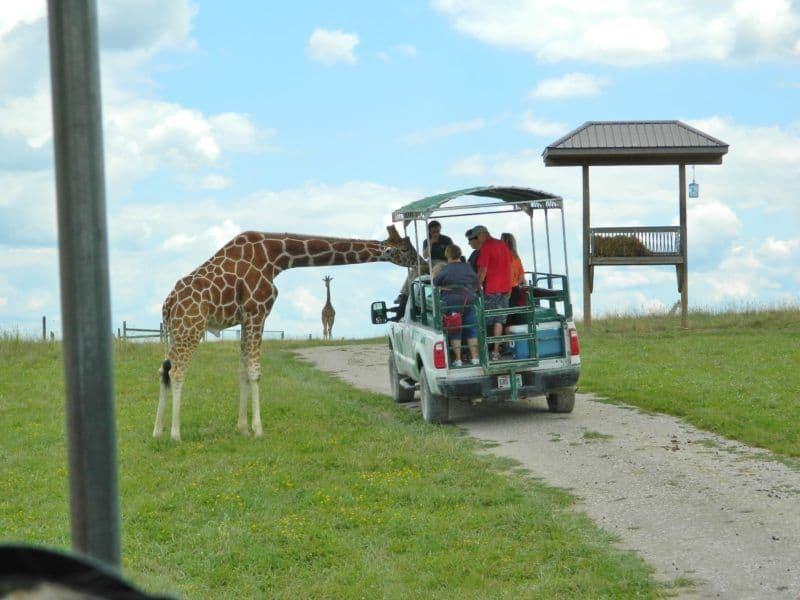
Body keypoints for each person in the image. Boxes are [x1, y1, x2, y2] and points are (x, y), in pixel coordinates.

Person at [469, 225, 513, 360]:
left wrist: (475, 287)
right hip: (505, 288)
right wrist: (510, 287)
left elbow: (482, 271)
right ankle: (495, 351)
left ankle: (481, 352)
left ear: (482, 235)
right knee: (499, 321)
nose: (477, 241)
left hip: (492, 289)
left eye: (476, 238)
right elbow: (510, 267)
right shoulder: (502, 245)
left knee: (484, 320)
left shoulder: (486, 247)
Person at [432, 244, 480, 366]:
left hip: (452, 304)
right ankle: (475, 358)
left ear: (448, 255)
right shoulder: (468, 268)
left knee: (455, 330)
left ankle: (458, 359)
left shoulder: (446, 269)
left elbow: (435, 282)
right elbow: (475, 281)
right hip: (468, 301)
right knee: (472, 329)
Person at [501, 232, 527, 329]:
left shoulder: (503, 256)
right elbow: (522, 277)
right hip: (516, 289)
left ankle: (508, 342)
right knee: (515, 317)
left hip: (506, 290)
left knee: (507, 318)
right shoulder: (516, 257)